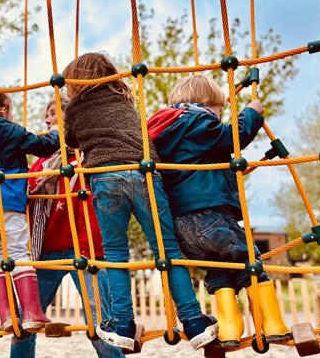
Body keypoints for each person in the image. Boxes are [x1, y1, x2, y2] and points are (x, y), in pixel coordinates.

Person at [62, 53, 217, 352]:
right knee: (167, 250)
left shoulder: (76, 107)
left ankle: (122, 323)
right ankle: (194, 321)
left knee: (116, 254)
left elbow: (70, 140)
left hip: (105, 177)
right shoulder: (124, 96)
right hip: (144, 174)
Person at [147, 74, 291, 347]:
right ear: (203, 102)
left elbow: (197, 161)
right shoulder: (196, 121)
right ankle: (272, 323)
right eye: (219, 110)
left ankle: (228, 330)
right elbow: (230, 138)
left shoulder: (165, 132)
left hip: (181, 225)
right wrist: (252, 114)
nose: (218, 116)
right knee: (250, 260)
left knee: (218, 270)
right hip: (210, 215)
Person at [10, 97, 124, 358]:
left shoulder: (90, 156)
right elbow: (26, 190)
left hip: (85, 249)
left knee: (101, 326)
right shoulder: (42, 163)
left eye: (53, 114)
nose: (47, 120)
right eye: (47, 115)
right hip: (47, 250)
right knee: (25, 322)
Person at [0, 82, 60, 332]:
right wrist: (59, 132)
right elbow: (43, 147)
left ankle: (7, 316)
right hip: (6, 202)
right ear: (3, 108)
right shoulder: (10, 130)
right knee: (17, 253)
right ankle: (31, 311)